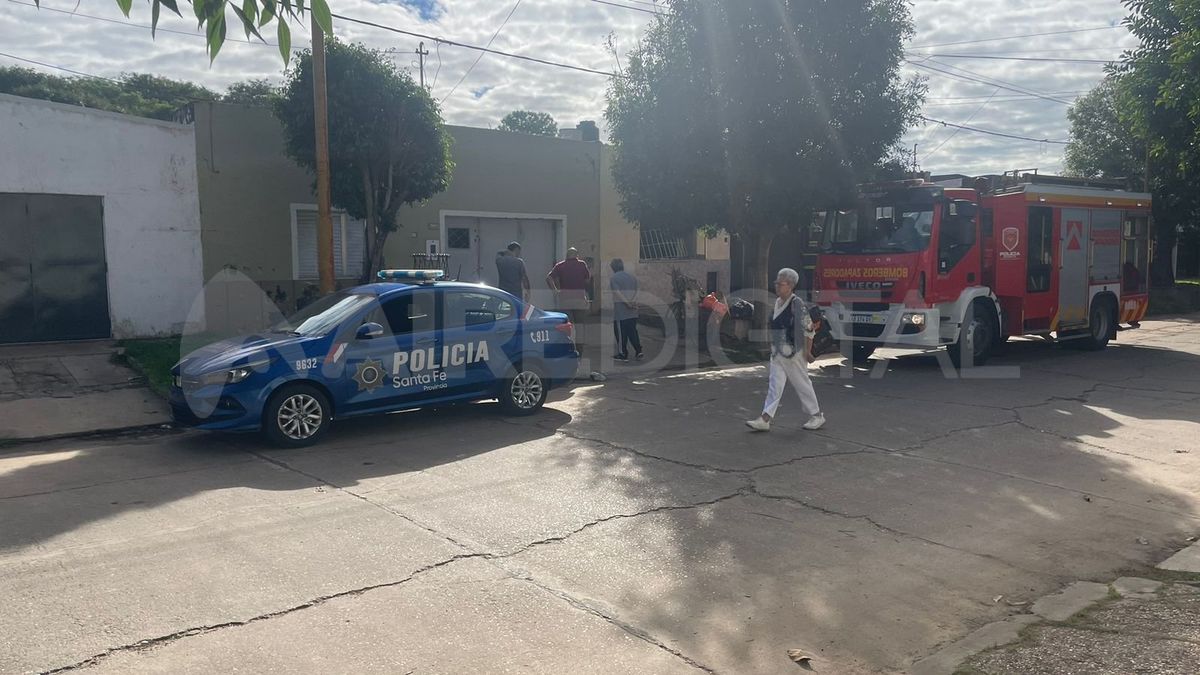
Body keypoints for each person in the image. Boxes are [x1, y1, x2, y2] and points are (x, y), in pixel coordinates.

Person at [746, 268, 825, 432]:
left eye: (779, 283)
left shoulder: (797, 304)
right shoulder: (778, 302)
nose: (776, 285)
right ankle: (765, 418)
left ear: (790, 285)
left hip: (794, 353)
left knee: (802, 384)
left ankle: (817, 416)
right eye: (776, 282)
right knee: (775, 385)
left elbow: (809, 329)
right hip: (778, 353)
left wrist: (808, 352)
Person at [547, 247, 591, 328]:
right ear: (577, 255)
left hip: (565, 300)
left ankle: (567, 339)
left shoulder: (560, 265)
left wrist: (555, 291)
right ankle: (579, 340)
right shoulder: (582, 264)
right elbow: (588, 281)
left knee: (566, 325)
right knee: (580, 325)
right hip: (579, 299)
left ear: (567, 256)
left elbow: (549, 278)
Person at [609, 258, 643, 361]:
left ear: (613, 268)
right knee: (633, 331)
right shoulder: (632, 277)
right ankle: (638, 351)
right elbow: (638, 291)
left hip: (621, 312)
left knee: (621, 333)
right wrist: (633, 302)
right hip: (633, 311)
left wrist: (627, 303)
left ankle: (622, 354)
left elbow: (618, 293)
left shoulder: (614, 278)